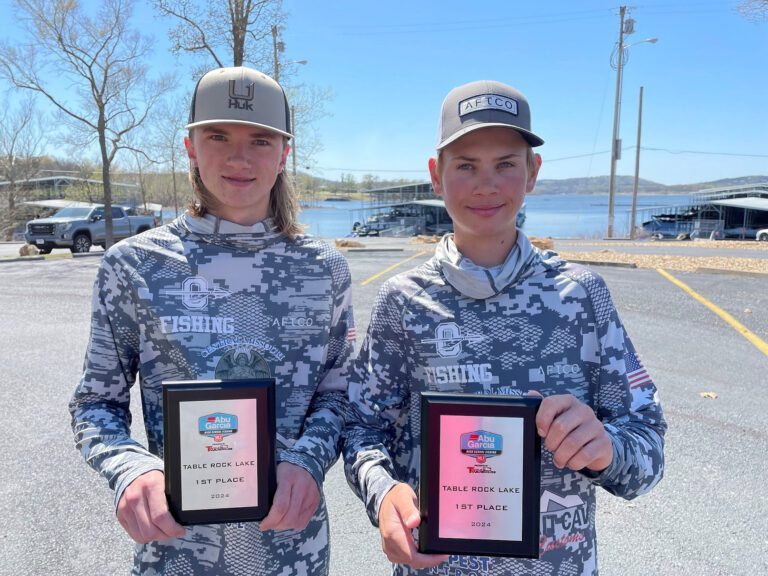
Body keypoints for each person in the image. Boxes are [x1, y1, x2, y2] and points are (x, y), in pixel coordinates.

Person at [343, 80, 666, 576]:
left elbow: (647, 448)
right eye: (466, 165)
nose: (486, 185)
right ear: (436, 175)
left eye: (506, 165)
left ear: (533, 172)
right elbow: (363, 429)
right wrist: (384, 495)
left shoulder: (582, 296)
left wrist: (607, 448)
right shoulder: (403, 301)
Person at [69, 66, 355, 575]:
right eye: (218, 136)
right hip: (176, 553)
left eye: (260, 140)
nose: (239, 157)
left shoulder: (325, 269)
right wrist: (129, 470)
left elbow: (338, 396)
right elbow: (95, 405)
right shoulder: (133, 265)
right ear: (190, 147)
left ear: (285, 153)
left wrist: (308, 460)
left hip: (294, 551)